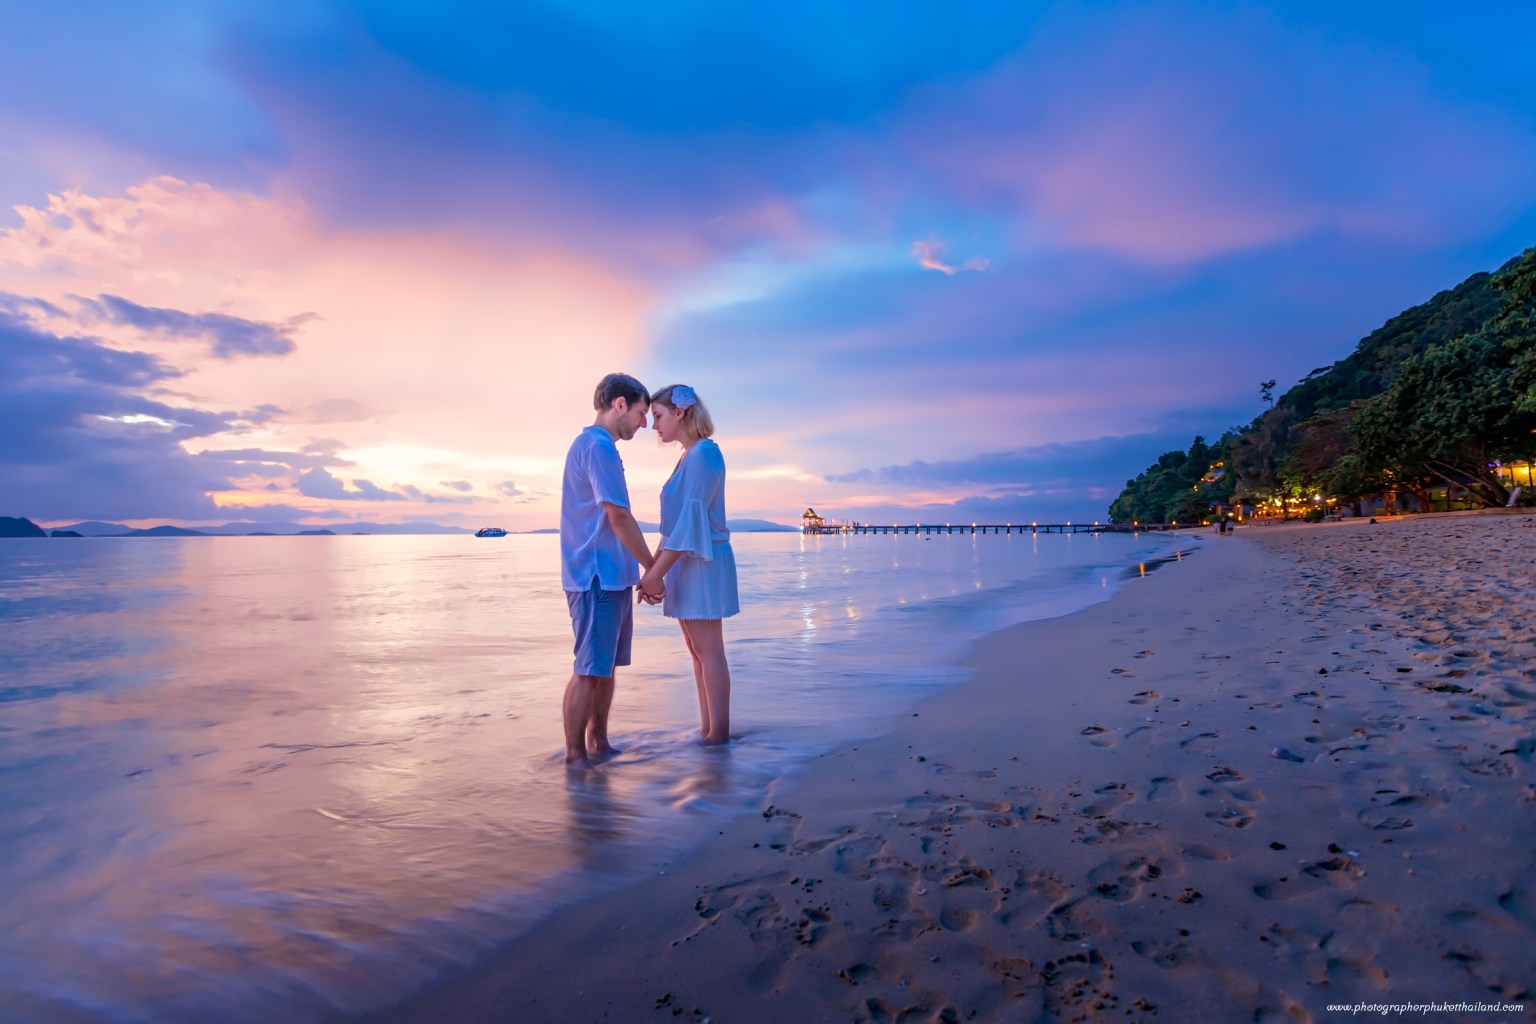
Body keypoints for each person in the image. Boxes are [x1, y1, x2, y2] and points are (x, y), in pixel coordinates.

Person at [559, 373, 659, 770]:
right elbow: (618, 515)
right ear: (620, 404)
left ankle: (598, 744)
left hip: (612, 575)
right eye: (641, 413)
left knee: (605, 667)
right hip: (595, 575)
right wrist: (654, 569)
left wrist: (639, 572)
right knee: (589, 669)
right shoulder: (597, 447)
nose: (644, 423)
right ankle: (575, 756)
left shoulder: (597, 446)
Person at [638, 385, 740, 745]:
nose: (654, 426)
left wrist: (656, 574)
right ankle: (706, 731)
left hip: (702, 560)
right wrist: (652, 573)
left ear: (679, 413)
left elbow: (690, 523)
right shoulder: (687, 456)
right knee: (698, 653)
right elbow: (672, 528)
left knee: (710, 651)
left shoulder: (704, 454)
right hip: (684, 560)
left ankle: (719, 735)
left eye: (658, 416)